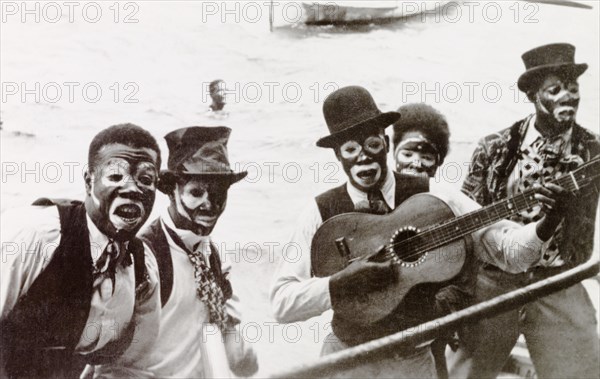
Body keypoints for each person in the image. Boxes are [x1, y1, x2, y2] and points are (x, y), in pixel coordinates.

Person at [270, 86, 567, 378]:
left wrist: (548, 223)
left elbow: (511, 253)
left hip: (411, 362)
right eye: (350, 149)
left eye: (371, 144)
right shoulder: (320, 212)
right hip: (345, 358)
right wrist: (339, 284)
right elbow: (282, 304)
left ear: (386, 143)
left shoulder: (435, 197)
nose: (362, 158)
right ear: (338, 155)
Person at [447, 43, 600, 379]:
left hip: (559, 280)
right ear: (533, 94)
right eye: (555, 89)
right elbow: (463, 224)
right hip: (494, 283)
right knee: (463, 374)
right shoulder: (494, 147)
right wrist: (456, 288)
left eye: (573, 89)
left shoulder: (593, 150)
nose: (568, 97)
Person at [94, 126, 258, 377]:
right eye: (196, 192)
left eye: (218, 194)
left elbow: (236, 354)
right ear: (172, 191)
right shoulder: (141, 257)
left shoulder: (209, 254)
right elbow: (104, 357)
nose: (209, 204)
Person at [0, 123, 161, 378]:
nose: (132, 189)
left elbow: (133, 365)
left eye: (146, 180)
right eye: (116, 177)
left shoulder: (143, 268)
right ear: (89, 182)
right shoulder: (36, 236)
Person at [392, 103, 450, 178]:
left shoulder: (445, 190)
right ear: (394, 152)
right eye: (407, 155)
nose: (416, 164)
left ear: (439, 162)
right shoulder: (381, 188)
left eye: (426, 158)